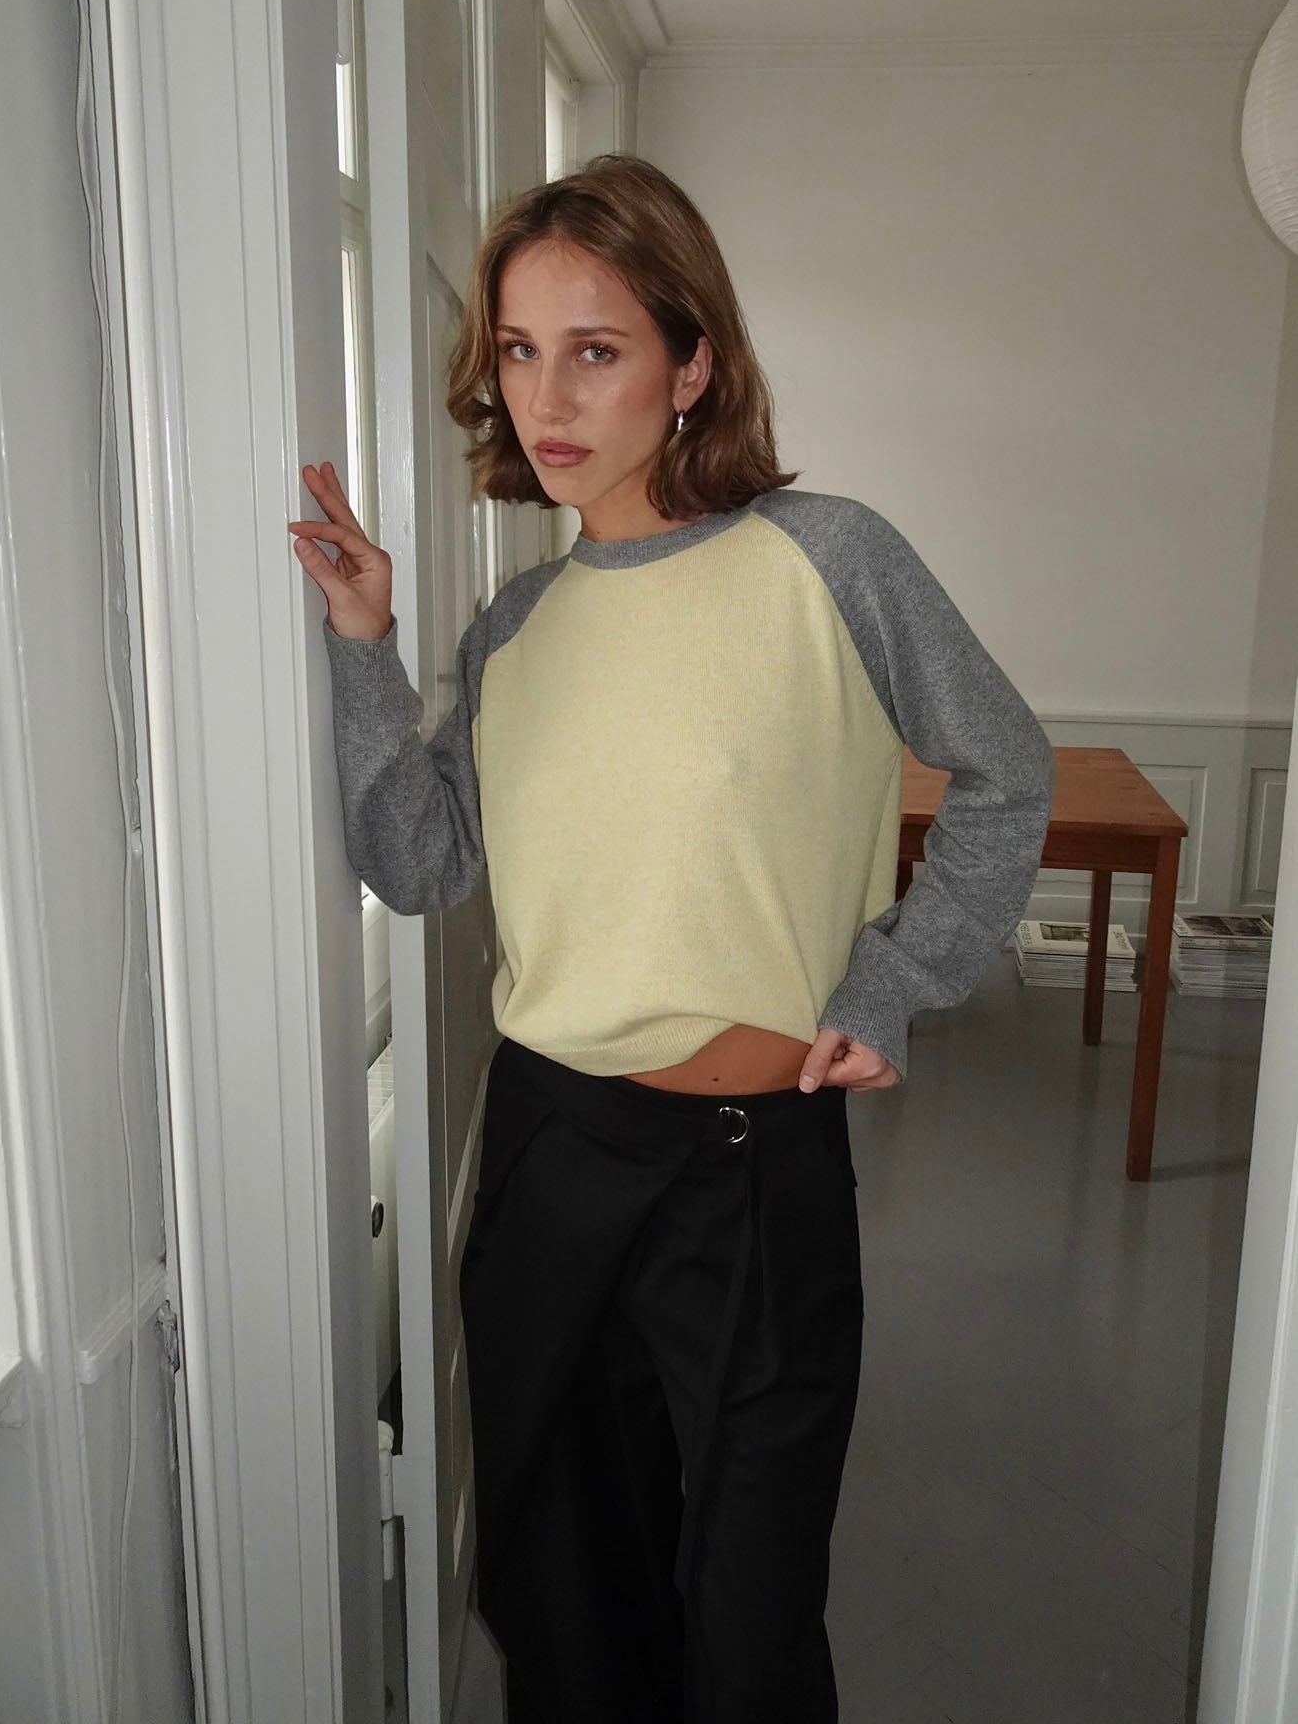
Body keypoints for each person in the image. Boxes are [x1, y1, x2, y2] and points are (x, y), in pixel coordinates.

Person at [288, 153, 1055, 1723]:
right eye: (519, 350)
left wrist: (892, 983)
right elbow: (419, 863)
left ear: (691, 364)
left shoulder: (825, 557)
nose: (547, 398)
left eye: (597, 349)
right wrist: (366, 651)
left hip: (752, 1170)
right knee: (564, 1590)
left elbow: (1004, 768)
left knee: (749, 1613)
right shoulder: (516, 633)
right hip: (553, 1151)